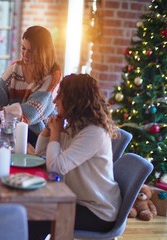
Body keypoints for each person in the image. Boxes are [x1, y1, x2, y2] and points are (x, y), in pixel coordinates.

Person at [31, 74, 122, 240]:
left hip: (97, 210)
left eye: (60, 95)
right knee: (32, 212)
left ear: (74, 100)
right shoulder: (75, 126)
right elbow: (42, 157)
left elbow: (55, 168)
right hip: (74, 199)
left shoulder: (93, 133)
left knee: (37, 218)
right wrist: (47, 131)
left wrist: (56, 133)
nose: (54, 100)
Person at [0, 26, 61, 146]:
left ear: (43, 52)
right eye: (23, 48)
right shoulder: (16, 68)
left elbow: (32, 111)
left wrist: (0, 113)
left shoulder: (53, 75)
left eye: (31, 51)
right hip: (15, 129)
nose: (25, 54)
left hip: (40, 137)